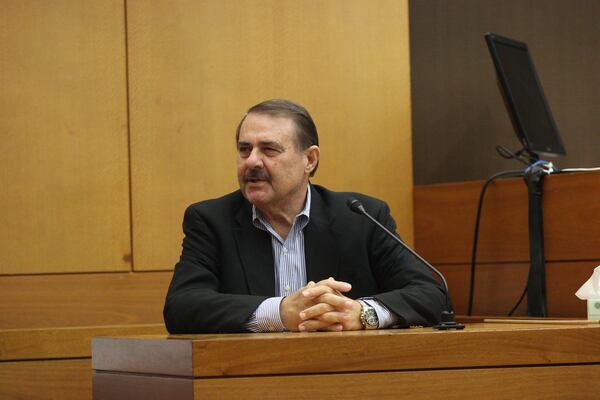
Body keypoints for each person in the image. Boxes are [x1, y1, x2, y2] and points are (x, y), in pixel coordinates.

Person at [163, 99, 446, 333]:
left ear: (309, 159)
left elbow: (432, 295)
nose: (251, 161)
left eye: (269, 149)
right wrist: (281, 311)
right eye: (244, 149)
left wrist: (361, 313)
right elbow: (182, 306)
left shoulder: (362, 216)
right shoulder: (212, 220)